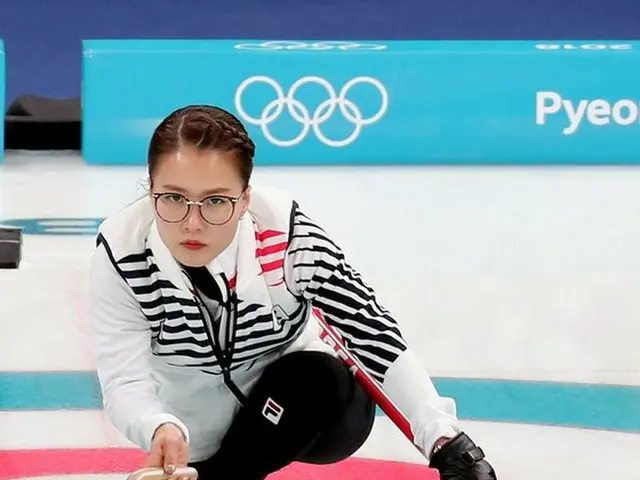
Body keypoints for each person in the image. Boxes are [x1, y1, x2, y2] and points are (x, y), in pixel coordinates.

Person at [88, 104, 497, 480]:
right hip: (193, 433)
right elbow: (124, 381)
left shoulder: (285, 234)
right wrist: (157, 424)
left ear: (246, 198)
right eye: (173, 198)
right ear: (150, 188)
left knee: (317, 377)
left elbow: (370, 332)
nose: (192, 223)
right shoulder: (123, 251)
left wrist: (446, 441)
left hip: (308, 409)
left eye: (216, 202)